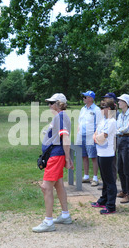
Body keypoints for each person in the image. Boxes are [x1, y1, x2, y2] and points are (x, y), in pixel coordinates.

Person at [33, 93, 74, 232]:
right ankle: (65, 215)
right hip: (55, 155)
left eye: (52, 103)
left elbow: (66, 138)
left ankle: (48, 222)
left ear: (59, 104)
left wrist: (68, 158)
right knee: (58, 184)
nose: (49, 105)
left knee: (46, 187)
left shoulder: (61, 116)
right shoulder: (59, 117)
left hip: (56, 156)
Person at [91, 98, 117, 214]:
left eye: (103, 107)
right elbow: (96, 133)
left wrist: (96, 139)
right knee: (104, 179)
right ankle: (103, 200)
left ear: (109, 108)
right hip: (100, 152)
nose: (101, 109)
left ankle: (111, 205)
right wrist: (96, 138)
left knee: (109, 180)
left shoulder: (112, 121)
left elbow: (104, 136)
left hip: (107, 153)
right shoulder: (103, 120)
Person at [77, 91, 102, 186]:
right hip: (82, 135)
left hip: (91, 136)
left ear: (90, 98)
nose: (83, 98)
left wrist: (95, 136)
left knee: (93, 157)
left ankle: (95, 178)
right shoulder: (82, 109)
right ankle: (86, 176)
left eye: (85, 97)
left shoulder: (96, 110)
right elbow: (80, 122)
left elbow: (99, 124)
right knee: (84, 156)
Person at [116, 94, 129, 203]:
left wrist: (118, 130)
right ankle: (124, 190)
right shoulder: (120, 115)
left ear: (126, 103)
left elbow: (127, 128)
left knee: (127, 168)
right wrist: (119, 130)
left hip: (127, 141)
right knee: (120, 167)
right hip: (120, 140)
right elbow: (118, 126)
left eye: (120, 101)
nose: (118, 102)